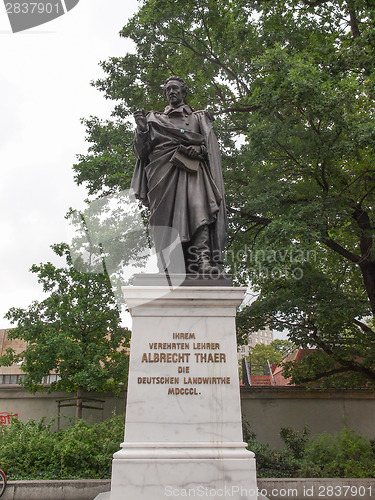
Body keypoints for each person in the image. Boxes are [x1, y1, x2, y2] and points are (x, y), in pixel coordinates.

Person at [131, 76, 227, 275]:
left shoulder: (198, 118)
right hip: (162, 174)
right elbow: (142, 153)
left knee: (198, 209)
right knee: (164, 219)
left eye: (175, 89)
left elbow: (209, 148)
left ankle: (202, 260)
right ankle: (170, 265)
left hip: (192, 171)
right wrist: (141, 128)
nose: (171, 92)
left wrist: (198, 151)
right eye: (168, 90)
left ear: (184, 92)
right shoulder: (154, 119)